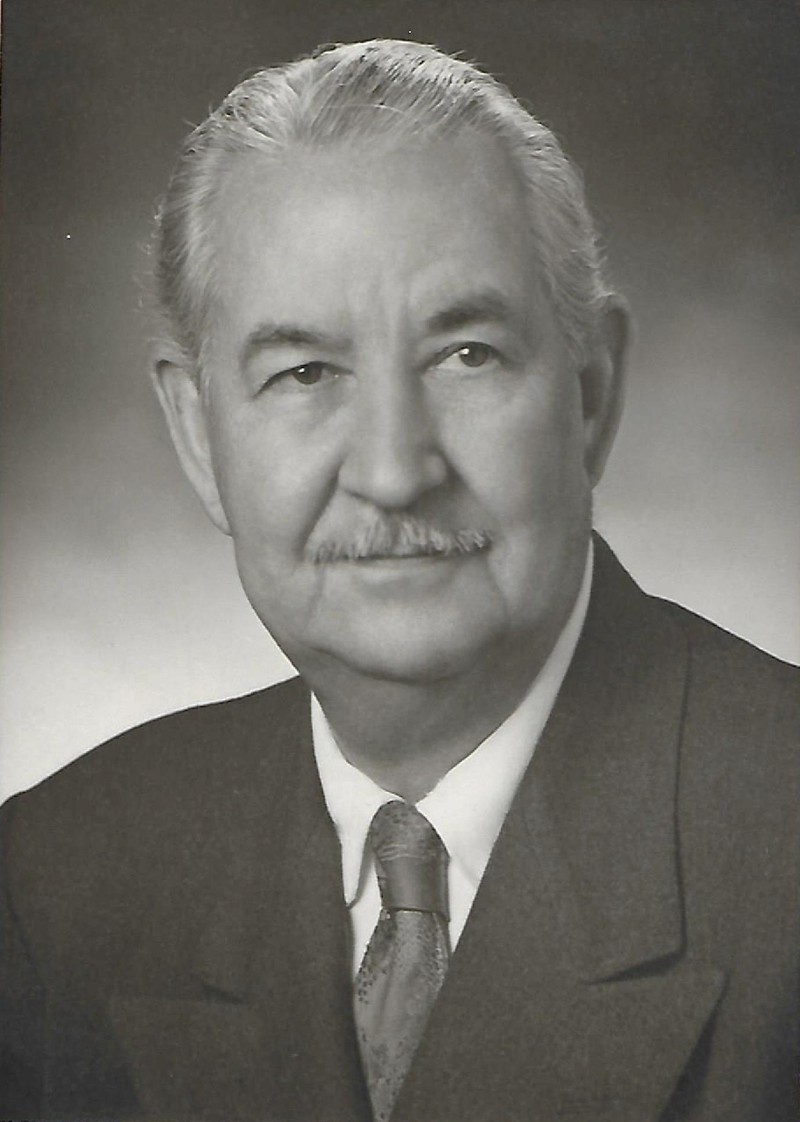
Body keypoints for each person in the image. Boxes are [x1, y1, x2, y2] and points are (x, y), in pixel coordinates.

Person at [0, 39, 796, 1122]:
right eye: (304, 373)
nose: (392, 469)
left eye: (465, 355)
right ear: (198, 438)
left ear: (590, 396)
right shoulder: (57, 881)